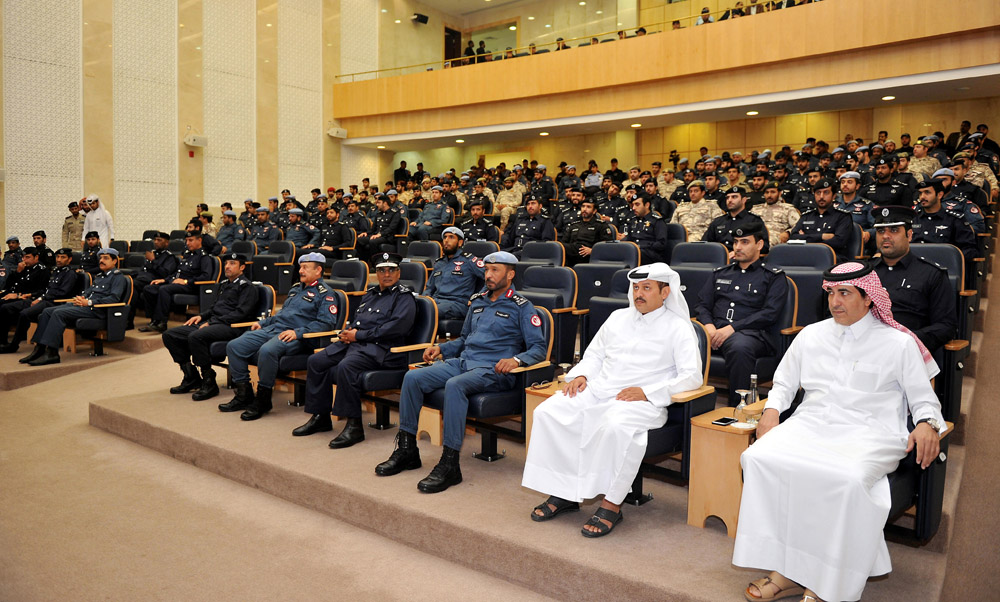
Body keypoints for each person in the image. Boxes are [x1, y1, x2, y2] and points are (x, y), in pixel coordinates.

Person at [733, 261, 944, 602]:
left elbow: (925, 401)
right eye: (831, 293)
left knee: (843, 478)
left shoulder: (899, 344)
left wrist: (926, 423)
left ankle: (825, 581)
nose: (835, 302)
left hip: (872, 433)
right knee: (758, 457)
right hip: (810, 425)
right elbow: (785, 382)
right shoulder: (811, 334)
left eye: (845, 293)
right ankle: (787, 570)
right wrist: (771, 411)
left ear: (869, 298)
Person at [522, 263, 702, 537]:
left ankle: (611, 503)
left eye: (646, 288)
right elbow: (594, 355)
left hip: (643, 402)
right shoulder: (618, 317)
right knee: (550, 411)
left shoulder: (678, 327)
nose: (638, 294)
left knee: (613, 426)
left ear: (665, 292)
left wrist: (648, 392)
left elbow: (692, 377)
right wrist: (581, 375)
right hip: (600, 388)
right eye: (635, 288)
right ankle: (564, 492)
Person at [375, 251, 547, 493]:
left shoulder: (522, 307)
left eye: (495, 270)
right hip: (465, 361)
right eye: (486, 270)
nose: (488, 275)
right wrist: (441, 348)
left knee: (455, 385)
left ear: (510, 274)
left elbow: (539, 348)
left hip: (494, 370)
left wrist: (517, 360)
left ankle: (450, 464)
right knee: (412, 377)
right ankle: (407, 450)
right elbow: (465, 339)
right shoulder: (477, 301)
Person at [294, 252, 417, 447]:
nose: (387, 274)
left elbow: (395, 329)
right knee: (316, 361)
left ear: (398, 273)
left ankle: (354, 426)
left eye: (391, 270)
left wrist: (357, 336)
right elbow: (359, 321)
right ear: (376, 273)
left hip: (383, 350)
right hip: (359, 344)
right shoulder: (371, 294)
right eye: (382, 270)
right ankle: (321, 417)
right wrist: (348, 332)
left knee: (346, 366)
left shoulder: (403, 297)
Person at [220, 253, 340, 421]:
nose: (301, 270)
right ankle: (244, 394)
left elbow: (326, 324)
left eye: (306, 267)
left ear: (318, 270)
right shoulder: (296, 288)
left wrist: (297, 333)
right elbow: (282, 315)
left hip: (298, 337)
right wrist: (264, 323)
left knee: (267, 350)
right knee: (235, 346)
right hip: (275, 328)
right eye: (301, 267)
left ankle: (263, 400)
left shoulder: (326, 294)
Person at [695, 223, 787, 406]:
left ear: (759, 245)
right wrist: (709, 327)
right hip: (714, 332)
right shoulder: (720, 273)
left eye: (745, 242)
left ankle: (738, 409)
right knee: (683, 338)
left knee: (739, 347)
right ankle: (690, 407)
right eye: (736, 242)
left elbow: (770, 314)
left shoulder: (773, 276)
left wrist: (732, 328)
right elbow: (702, 305)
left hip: (752, 334)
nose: (737, 247)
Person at [161, 253, 259, 401]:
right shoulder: (224, 284)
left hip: (233, 326)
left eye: (232, 263)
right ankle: (191, 376)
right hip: (215, 323)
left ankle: (209, 380)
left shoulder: (247, 287)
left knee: (196, 336)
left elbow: (241, 313)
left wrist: (212, 323)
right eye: (226, 263)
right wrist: (201, 316)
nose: (227, 266)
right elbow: (214, 308)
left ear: (242, 267)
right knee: (170, 335)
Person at [21, 248, 126, 366]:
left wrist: (89, 302)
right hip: (86, 307)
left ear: (114, 261)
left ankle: (52, 353)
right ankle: (39, 349)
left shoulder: (118, 277)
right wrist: (81, 298)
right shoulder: (100, 276)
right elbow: (88, 292)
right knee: (47, 311)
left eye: (106, 258)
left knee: (58, 313)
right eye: (100, 258)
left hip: (98, 311)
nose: (101, 260)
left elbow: (114, 298)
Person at [0, 247, 77, 353]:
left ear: (69, 259)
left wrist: (40, 297)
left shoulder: (69, 274)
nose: (59, 259)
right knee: (6, 306)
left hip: (53, 302)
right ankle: (6, 342)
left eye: (62, 257)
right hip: (40, 298)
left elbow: (61, 293)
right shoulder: (55, 271)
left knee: (24, 314)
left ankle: (15, 345)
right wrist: (33, 295)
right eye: (58, 257)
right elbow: (47, 289)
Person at [138, 232, 214, 333]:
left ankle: (162, 323)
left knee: (164, 289)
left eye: (190, 240)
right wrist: (164, 280)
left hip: (191, 286)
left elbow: (206, 276)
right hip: (177, 283)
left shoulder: (204, 256)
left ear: (199, 240)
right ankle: (154, 321)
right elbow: (177, 273)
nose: (188, 243)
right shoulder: (187, 255)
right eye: (186, 240)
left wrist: (186, 281)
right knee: (149, 288)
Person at [425, 227, 485, 320]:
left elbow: (491, 277)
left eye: (451, 237)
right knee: (412, 307)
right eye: (445, 237)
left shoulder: (469, 260)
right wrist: (425, 300)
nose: (446, 240)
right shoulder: (439, 263)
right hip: (436, 301)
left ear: (460, 242)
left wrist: (480, 295)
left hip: (458, 304)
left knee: (428, 311)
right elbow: (429, 287)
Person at [788, 178, 854, 261]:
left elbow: (839, 242)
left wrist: (806, 238)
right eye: (818, 193)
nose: (821, 196)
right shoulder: (806, 216)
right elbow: (793, 237)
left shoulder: (843, 216)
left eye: (826, 192)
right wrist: (822, 236)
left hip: (832, 258)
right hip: (805, 255)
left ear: (834, 196)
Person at [127, 231, 179, 329]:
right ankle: (128, 320)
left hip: (154, 280)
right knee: (130, 287)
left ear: (167, 243)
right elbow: (144, 269)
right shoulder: (153, 254)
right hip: (142, 279)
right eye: (155, 240)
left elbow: (165, 273)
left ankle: (129, 321)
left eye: (159, 240)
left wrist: (153, 261)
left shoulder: (169, 257)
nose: (156, 242)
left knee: (132, 285)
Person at [703, 187, 770, 253]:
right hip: (718, 259)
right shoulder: (718, 221)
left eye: (734, 197)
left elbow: (764, 246)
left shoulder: (754, 221)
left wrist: (737, 252)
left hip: (743, 260)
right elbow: (705, 244)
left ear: (744, 200)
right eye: (727, 197)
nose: (730, 200)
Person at [561, 197, 615, 266]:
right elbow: (563, 243)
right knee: (558, 246)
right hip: (571, 254)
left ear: (594, 211)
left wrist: (593, 251)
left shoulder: (601, 225)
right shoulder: (574, 225)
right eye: (583, 206)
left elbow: (608, 247)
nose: (584, 209)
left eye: (588, 207)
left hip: (588, 257)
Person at [750, 181, 799, 247]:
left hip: (777, 238)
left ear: (780, 193)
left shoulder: (788, 209)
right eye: (767, 192)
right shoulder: (755, 209)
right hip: (757, 236)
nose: (769, 195)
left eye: (773, 192)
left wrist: (788, 233)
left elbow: (798, 225)